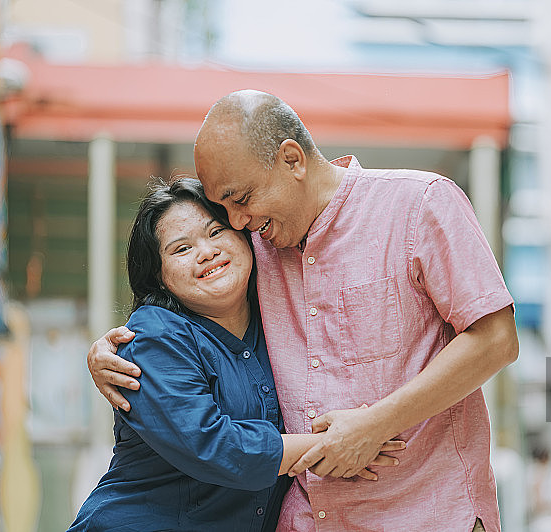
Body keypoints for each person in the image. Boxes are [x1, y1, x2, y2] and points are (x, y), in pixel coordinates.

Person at [88, 90, 519, 532]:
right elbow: (189, 311)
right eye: (224, 209)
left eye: (241, 198)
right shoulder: (255, 242)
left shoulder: (420, 204)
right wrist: (112, 349)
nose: (235, 223)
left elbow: (497, 339)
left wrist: (378, 424)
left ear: (292, 160)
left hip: (423, 514)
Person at [70, 178, 402, 531]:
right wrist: (333, 446)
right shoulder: (154, 337)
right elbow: (215, 446)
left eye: (216, 231)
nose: (207, 252)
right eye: (181, 249)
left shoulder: (280, 323)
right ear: (159, 276)